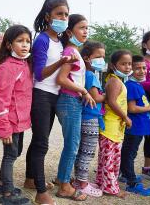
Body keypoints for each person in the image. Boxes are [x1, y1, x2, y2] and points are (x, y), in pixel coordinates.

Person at [24, 0, 73, 205]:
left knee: (38, 140)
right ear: (48, 16)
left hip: (55, 95)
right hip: (41, 94)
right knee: (42, 143)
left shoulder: (60, 40)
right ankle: (40, 192)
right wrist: (61, 62)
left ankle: (30, 179)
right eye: (59, 14)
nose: (63, 17)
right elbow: (40, 73)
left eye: (66, 14)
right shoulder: (42, 39)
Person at [55, 14, 95, 202]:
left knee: (72, 144)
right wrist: (84, 92)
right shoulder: (70, 52)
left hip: (73, 101)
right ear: (70, 32)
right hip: (69, 101)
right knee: (72, 145)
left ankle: (62, 178)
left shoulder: (74, 51)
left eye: (87, 28)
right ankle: (64, 186)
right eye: (81, 27)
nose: (86, 31)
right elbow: (61, 80)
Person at [0, 25, 33, 205]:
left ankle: (1, 183)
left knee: (15, 153)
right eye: (19, 41)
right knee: (10, 155)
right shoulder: (7, 67)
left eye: (27, 41)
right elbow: (1, 99)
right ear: (9, 45)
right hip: (10, 122)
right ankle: (7, 193)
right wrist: (4, 128)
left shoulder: (24, 64)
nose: (25, 45)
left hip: (21, 121)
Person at [95, 50, 133, 198]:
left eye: (129, 64)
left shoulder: (118, 80)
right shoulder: (114, 81)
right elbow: (111, 101)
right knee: (109, 159)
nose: (127, 67)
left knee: (111, 158)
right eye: (123, 64)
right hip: (110, 126)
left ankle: (103, 183)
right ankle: (111, 188)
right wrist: (126, 117)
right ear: (113, 65)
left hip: (115, 127)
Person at [73, 41, 106, 197]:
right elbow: (95, 97)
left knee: (81, 151)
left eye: (103, 57)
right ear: (86, 58)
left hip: (84, 117)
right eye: (98, 56)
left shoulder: (84, 73)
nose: (101, 60)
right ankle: (83, 183)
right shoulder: (90, 75)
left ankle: (79, 181)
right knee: (88, 152)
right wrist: (108, 95)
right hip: (90, 118)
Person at [120, 55, 150, 196]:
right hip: (135, 127)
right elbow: (132, 108)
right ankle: (132, 183)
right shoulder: (132, 86)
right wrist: (149, 108)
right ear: (130, 69)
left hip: (139, 127)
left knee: (129, 153)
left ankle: (126, 175)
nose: (142, 71)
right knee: (129, 154)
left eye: (144, 68)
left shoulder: (137, 85)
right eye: (137, 68)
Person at [141, 30, 150, 178]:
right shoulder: (141, 63)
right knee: (145, 135)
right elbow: (141, 83)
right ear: (145, 44)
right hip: (145, 102)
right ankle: (146, 167)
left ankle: (148, 168)